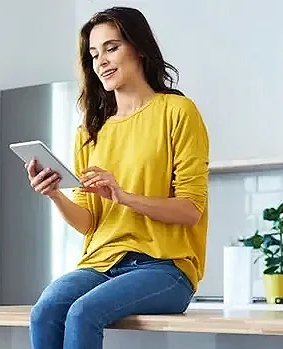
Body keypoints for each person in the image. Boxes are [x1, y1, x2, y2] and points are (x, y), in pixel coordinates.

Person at [24, 6, 210, 349]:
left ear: (138, 48)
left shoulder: (178, 112)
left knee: (82, 313)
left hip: (165, 268)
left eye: (111, 48)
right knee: (45, 311)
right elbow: (89, 221)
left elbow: (191, 209)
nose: (101, 62)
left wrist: (123, 196)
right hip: (99, 262)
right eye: (94, 54)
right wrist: (55, 194)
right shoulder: (90, 131)